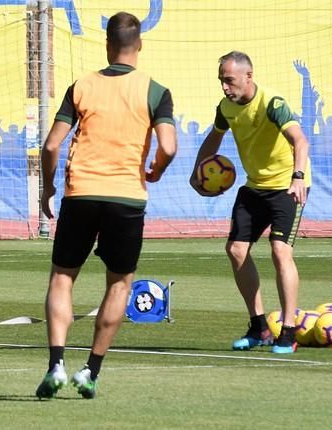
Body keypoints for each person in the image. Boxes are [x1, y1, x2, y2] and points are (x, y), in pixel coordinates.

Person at [36, 11, 177, 399]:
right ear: (140, 44)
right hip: (127, 197)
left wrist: (48, 188)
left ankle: (56, 364)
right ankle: (90, 370)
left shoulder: (82, 85)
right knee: (119, 283)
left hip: (80, 193)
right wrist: (157, 170)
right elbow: (167, 146)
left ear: (107, 45)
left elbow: (51, 145)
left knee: (62, 278)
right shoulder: (155, 90)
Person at [189, 51, 311, 354]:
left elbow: (301, 140)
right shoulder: (226, 107)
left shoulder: (273, 104)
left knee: (280, 251)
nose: (224, 87)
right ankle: (259, 327)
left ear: (248, 76)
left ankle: (289, 330)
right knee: (236, 249)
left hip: (287, 187)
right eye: (221, 81)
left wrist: (297, 177)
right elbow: (213, 138)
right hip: (255, 186)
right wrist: (198, 169)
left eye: (229, 80)